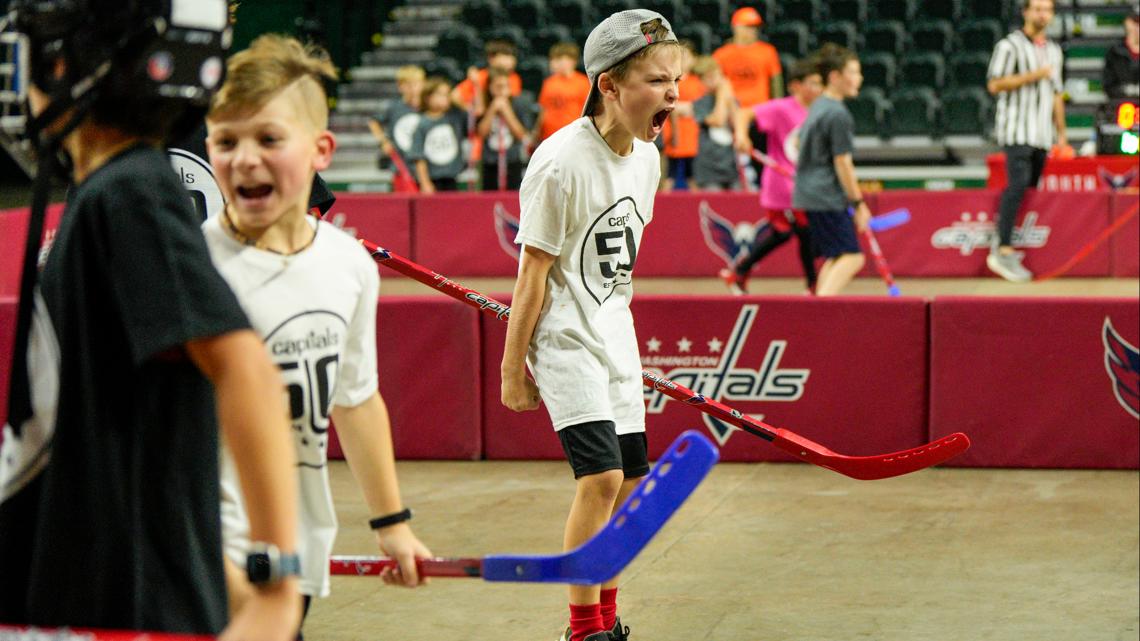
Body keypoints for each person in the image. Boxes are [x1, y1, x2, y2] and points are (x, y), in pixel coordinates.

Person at [0, 2, 301, 639]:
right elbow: (134, 439)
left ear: (72, 67)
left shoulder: (129, 191)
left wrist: (278, 584)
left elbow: (247, 369)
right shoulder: (105, 194)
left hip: (115, 618)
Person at [202, 35, 432, 635]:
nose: (244, 159)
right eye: (226, 142)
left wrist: (392, 523)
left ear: (321, 150)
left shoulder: (347, 264)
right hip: (201, 553)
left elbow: (354, 399)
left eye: (269, 139)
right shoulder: (189, 265)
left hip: (290, 553)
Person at [500, 10, 682, 641]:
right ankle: (582, 629)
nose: (673, 94)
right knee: (600, 477)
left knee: (630, 481)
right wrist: (513, 368)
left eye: (675, 81)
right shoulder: (558, 162)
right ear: (608, 84)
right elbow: (532, 274)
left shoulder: (649, 161)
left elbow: (616, 266)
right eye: (657, 81)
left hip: (615, 334)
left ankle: (608, 617)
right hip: (565, 339)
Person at [723, 56, 824, 295]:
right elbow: (743, 114)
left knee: (793, 234)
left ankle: (739, 271)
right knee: (799, 232)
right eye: (813, 83)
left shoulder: (820, 111)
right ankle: (813, 285)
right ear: (796, 86)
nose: (818, 88)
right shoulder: (782, 108)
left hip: (804, 184)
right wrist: (742, 135)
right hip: (782, 185)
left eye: (820, 83)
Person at [986, 0, 1066, 282]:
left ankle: (1021, 245)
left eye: (1047, 9)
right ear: (1026, 12)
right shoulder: (1009, 46)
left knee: (1031, 191)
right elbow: (995, 84)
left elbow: (1057, 94)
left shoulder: (1054, 51)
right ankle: (1002, 248)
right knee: (1017, 186)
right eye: (1037, 9)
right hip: (1017, 130)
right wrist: (1034, 75)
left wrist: (1062, 135)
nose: (1042, 14)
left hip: (1042, 134)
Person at [791, 43, 870, 297]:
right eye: (854, 72)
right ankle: (821, 311)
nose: (860, 78)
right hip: (825, 195)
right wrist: (858, 203)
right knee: (853, 258)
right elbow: (843, 162)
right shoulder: (837, 114)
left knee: (836, 256)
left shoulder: (818, 105)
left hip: (809, 193)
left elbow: (797, 141)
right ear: (835, 77)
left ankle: (816, 306)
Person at [713, 6, 783, 187]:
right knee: (735, 163)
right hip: (732, 117)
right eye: (748, 26)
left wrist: (776, 112)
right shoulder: (722, 55)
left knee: (762, 160)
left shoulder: (767, 51)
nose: (752, 31)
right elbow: (716, 86)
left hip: (760, 116)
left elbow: (776, 84)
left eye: (755, 27)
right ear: (736, 27)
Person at [477, 67, 537, 191]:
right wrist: (493, 109)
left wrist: (506, 111)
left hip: (512, 159)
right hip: (490, 161)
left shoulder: (519, 104)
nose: (503, 90)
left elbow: (522, 135)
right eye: (498, 86)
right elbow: (481, 133)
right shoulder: (484, 105)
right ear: (490, 87)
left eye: (506, 86)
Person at [410, 76, 469, 193]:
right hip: (433, 178)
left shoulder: (454, 118)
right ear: (428, 97)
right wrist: (425, 182)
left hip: (452, 177)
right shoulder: (422, 123)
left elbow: (470, 115)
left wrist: (454, 99)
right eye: (440, 95)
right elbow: (418, 157)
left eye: (447, 95)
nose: (445, 99)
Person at [690, 55, 740, 191]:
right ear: (702, 81)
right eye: (709, 78)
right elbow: (718, 120)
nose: (715, 81)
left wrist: (728, 98)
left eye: (717, 76)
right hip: (709, 169)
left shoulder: (732, 100)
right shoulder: (700, 103)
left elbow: (738, 125)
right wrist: (723, 93)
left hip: (732, 166)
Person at [660, 40, 702, 191]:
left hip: (692, 135)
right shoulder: (669, 82)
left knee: (692, 174)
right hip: (672, 134)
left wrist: (682, 108)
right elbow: (666, 105)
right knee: (669, 174)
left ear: (694, 60)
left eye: (687, 57)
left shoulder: (698, 83)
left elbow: (698, 108)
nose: (683, 61)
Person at [368, 65, 425, 176]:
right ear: (400, 86)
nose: (413, 88)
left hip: (426, 166)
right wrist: (383, 141)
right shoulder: (394, 107)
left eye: (417, 84)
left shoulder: (428, 106)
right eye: (408, 85)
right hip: (401, 165)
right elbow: (373, 122)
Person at [536, 42, 592, 143]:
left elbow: (588, 112)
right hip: (548, 137)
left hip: (572, 136)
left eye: (557, 59)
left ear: (572, 61)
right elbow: (543, 112)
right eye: (552, 59)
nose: (552, 63)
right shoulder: (549, 82)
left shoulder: (583, 82)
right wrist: (536, 134)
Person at [1102, 4, 1140, 100]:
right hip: (1121, 108)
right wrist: (1127, 91)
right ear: (1127, 23)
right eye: (1135, 22)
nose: (1138, 27)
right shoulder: (1115, 52)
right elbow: (1108, 85)